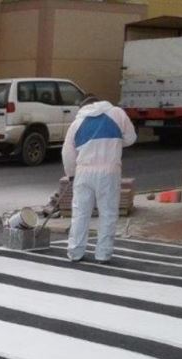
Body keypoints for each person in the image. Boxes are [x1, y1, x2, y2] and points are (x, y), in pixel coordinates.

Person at [62, 94, 136, 264]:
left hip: (83, 172)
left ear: (84, 107)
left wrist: (71, 174)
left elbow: (67, 152)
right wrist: (114, 144)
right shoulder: (117, 113)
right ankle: (103, 254)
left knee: (80, 213)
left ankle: (75, 252)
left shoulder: (77, 123)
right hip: (109, 171)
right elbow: (131, 138)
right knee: (108, 213)